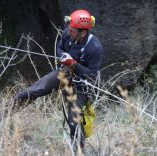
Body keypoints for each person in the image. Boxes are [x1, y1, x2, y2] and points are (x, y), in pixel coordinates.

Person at [13, 9, 103, 151]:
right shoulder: (68, 33)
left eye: (73, 30)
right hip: (64, 73)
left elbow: (91, 75)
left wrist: (73, 63)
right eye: (69, 28)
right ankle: (5, 115)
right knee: (33, 91)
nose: (69, 31)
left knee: (74, 121)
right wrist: (64, 57)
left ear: (83, 32)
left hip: (81, 85)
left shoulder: (94, 47)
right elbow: (59, 47)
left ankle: (78, 151)